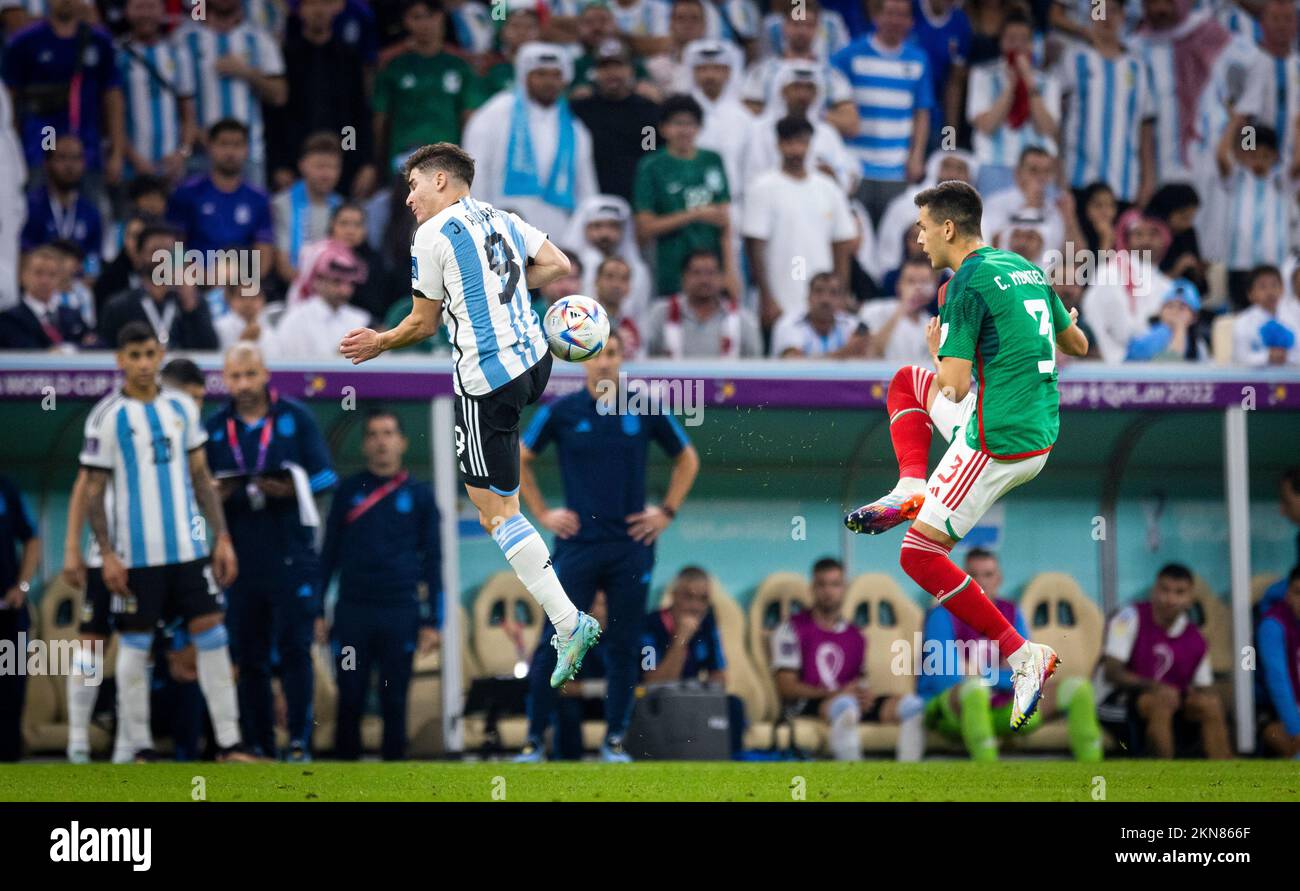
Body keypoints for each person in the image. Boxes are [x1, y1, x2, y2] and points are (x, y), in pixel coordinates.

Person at [339, 141, 602, 689]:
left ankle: (568, 621)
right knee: (503, 506)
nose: (407, 198)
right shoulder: (503, 217)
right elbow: (559, 264)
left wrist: (379, 341)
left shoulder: (431, 236)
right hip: (535, 362)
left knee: (495, 515)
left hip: (488, 382)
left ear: (440, 180)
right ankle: (566, 618)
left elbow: (422, 323)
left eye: (412, 185)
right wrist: (498, 285)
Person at [844, 180, 1090, 731]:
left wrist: (940, 349)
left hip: (994, 439)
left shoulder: (966, 286)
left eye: (924, 227)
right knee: (906, 383)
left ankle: (1023, 654)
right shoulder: (1023, 266)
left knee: (917, 555)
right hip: (1040, 434)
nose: (919, 236)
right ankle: (912, 486)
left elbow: (952, 388)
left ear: (948, 228)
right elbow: (1078, 345)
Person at [517, 330, 699, 762]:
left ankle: (614, 740)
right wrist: (544, 514)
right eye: (596, 355)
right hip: (576, 546)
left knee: (623, 643)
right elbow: (522, 458)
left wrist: (666, 513)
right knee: (557, 640)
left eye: (612, 354)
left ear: (622, 358)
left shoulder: (645, 407)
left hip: (630, 546)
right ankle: (532, 740)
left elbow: (687, 458)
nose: (603, 363)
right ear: (582, 360)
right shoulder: (562, 411)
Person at [80, 321, 252, 762]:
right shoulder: (106, 416)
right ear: (120, 361)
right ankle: (137, 745)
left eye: (149, 354)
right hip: (136, 560)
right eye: (132, 355)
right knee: (136, 649)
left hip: (188, 553)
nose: (142, 364)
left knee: (213, 636)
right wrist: (109, 556)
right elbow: (94, 492)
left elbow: (200, 477)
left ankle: (230, 742)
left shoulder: (181, 408)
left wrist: (223, 538)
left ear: (159, 356)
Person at [205, 342, 338, 760]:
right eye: (234, 376)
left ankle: (299, 742)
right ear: (225, 379)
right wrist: (216, 492)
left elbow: (326, 478)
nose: (243, 385)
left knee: (297, 649)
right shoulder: (213, 426)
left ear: (265, 374)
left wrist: (288, 487)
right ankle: (259, 744)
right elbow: (199, 490)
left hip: (292, 553)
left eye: (250, 375)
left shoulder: (295, 418)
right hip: (240, 558)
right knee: (250, 656)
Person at [321, 409, 441, 760]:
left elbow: (433, 561)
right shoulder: (347, 491)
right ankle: (343, 778)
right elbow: (327, 553)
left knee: (395, 696)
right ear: (364, 444)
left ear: (402, 442)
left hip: (400, 612)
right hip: (352, 611)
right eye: (373, 434)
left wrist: (434, 620)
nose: (381, 441)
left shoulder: (420, 496)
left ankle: (394, 780)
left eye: (388, 433)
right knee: (351, 693)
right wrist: (315, 611)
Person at [918, 548, 1102, 761]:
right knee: (974, 692)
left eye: (987, 575)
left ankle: (1094, 771)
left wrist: (980, 673)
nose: (980, 582)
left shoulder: (1012, 614)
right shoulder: (941, 616)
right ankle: (991, 780)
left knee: (1078, 688)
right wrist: (1001, 673)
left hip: (1001, 707)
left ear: (998, 579)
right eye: (972, 576)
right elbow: (947, 681)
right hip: (947, 711)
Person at [771, 557, 925, 760]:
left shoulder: (855, 636)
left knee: (912, 705)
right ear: (812, 588)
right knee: (845, 705)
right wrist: (836, 693)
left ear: (844, 589)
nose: (828, 591)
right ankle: (852, 771)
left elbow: (859, 679)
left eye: (835, 584)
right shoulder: (791, 629)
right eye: (822, 584)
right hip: (809, 703)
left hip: (848, 699)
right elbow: (786, 687)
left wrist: (865, 695)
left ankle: (910, 776)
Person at [462, 42, 599, 241]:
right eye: (541, 74)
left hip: (558, 229)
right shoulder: (496, 112)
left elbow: (585, 186)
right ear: (524, 76)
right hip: (501, 224)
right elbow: (474, 169)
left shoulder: (575, 128)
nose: (549, 82)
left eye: (556, 75)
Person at [1094, 563, 1230, 759]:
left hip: (1170, 701)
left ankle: (1225, 774)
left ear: (1190, 598)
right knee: (1162, 700)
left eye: (1179, 592)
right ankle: (1161, 773)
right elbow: (1112, 672)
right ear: (1154, 591)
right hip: (1115, 702)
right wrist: (1157, 687)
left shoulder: (1195, 638)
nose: (1170, 598)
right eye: (1164, 590)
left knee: (1210, 704)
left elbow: (1205, 687)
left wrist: (1199, 696)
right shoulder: (1129, 618)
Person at [742, 115, 856, 328]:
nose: (795, 149)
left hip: (824, 297)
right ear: (778, 144)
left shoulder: (828, 188)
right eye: (789, 143)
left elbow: (841, 245)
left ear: (810, 144)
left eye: (801, 142)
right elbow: (754, 248)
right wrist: (766, 298)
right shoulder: (762, 187)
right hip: (779, 294)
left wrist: (841, 294)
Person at [1, 0, 126, 193]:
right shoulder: (24, 41)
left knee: (91, 212)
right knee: (39, 209)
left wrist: (117, 152)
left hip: (86, 143)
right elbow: (9, 98)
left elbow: (113, 97)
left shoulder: (99, 41)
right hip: (43, 137)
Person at [829, 0, 933, 224]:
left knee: (892, 237)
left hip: (896, 169)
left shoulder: (918, 60)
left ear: (911, 22)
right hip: (854, 166)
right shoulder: (848, 56)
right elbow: (830, 100)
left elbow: (922, 113)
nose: (895, 20)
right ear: (876, 17)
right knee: (854, 235)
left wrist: (916, 157)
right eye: (889, 13)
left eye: (902, 15)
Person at [171, 0, 287, 186]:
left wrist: (246, 72)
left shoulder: (259, 38)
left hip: (249, 155)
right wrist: (192, 134)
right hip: (199, 153)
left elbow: (279, 95)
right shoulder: (183, 39)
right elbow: (172, 96)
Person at [633, 94, 738, 299]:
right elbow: (645, 228)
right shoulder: (651, 166)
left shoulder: (712, 160)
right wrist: (694, 214)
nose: (684, 130)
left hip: (712, 266)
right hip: (671, 267)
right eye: (676, 123)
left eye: (690, 123)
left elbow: (724, 221)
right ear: (663, 128)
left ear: (699, 127)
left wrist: (730, 272)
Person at [1055, 0, 1154, 210]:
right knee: (1078, 244)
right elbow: (1056, 116)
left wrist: (1148, 180)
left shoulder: (1137, 67)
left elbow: (1145, 126)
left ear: (1123, 17)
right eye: (1099, 10)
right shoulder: (1074, 59)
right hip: (1079, 178)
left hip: (1124, 183)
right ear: (1091, 15)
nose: (1106, 17)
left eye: (1113, 11)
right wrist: (1059, 171)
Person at [639, 565, 746, 758]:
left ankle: (733, 763)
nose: (695, 606)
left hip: (690, 698)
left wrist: (702, 689)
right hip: (658, 702)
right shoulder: (650, 625)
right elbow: (652, 683)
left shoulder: (707, 624)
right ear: (674, 596)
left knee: (733, 704)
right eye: (688, 597)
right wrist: (681, 640)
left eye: (703, 599)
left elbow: (719, 677)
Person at [273, 0, 374, 196]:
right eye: (311, 4)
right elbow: (277, 117)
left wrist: (362, 162)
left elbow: (357, 115)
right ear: (300, 10)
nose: (319, 10)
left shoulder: (349, 57)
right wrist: (279, 164)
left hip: (343, 161)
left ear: (335, 8)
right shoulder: (286, 56)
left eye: (324, 3)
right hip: (293, 161)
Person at [371, 0, 476, 179]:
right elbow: (380, 119)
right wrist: (375, 162)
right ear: (406, 21)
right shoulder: (393, 66)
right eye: (417, 17)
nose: (425, 24)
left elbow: (469, 117)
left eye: (430, 16)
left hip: (448, 160)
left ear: (441, 17)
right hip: (402, 160)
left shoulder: (460, 66)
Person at [964, 6, 1060, 196]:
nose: (1017, 46)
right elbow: (987, 125)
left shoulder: (1049, 81)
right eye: (1011, 39)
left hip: (1038, 169)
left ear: (1033, 44)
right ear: (1001, 42)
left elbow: (1047, 128)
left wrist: (1029, 83)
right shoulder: (982, 75)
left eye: (1024, 40)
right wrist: (1011, 87)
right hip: (993, 165)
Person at [166, 119, 275, 270]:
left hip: (242, 285)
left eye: (237, 145)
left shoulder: (259, 198)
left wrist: (247, 284)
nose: (230, 152)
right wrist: (202, 280)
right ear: (210, 147)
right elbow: (175, 245)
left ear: (247, 149)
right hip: (196, 282)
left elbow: (264, 251)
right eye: (223, 144)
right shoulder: (186, 192)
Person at [97, 223, 219, 351]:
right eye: (155, 251)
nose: (163, 258)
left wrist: (190, 305)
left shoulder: (193, 302)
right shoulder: (118, 306)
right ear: (139, 256)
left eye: (169, 252)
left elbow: (209, 350)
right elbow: (107, 354)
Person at [569, 38, 663, 204]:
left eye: (619, 66)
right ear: (595, 72)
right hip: (590, 199)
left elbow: (651, 155)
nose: (612, 73)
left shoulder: (648, 112)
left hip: (636, 200)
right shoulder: (580, 110)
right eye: (605, 67)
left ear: (631, 70)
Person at [115, 0, 198, 183]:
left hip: (172, 168)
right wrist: (133, 158)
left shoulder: (179, 54)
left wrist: (182, 154)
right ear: (127, 12)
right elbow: (112, 116)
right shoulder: (117, 55)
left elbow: (188, 115)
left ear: (162, 12)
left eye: (151, 7)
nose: (146, 14)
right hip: (131, 168)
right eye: (139, 7)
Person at [1215, 123, 1289, 309]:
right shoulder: (1238, 178)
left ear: (1275, 156)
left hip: (1272, 265)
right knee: (1240, 317)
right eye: (1254, 155)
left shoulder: (1281, 181)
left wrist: (1297, 128)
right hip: (1240, 264)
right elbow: (1222, 157)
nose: (1259, 161)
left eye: (1265, 156)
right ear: (1245, 155)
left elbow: (1296, 165)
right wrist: (1238, 121)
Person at [645, 249, 762, 357]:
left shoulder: (743, 319)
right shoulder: (661, 313)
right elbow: (644, 355)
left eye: (711, 273)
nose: (704, 280)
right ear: (683, 277)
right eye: (697, 273)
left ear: (722, 278)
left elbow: (755, 366)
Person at [20, 134, 104, 280]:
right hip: (39, 287)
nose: (69, 166)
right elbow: (23, 257)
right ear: (47, 163)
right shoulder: (30, 208)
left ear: (84, 163)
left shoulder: (91, 213)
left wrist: (84, 280)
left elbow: (93, 262)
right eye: (62, 158)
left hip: (76, 291)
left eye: (75, 158)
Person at [272, 242, 372, 360]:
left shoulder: (361, 320)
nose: (344, 290)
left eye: (349, 283)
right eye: (337, 281)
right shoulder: (295, 322)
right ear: (317, 281)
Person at [0, 473, 38, 761]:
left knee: (11, 690)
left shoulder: (6, 487)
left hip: (8, 614)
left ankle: (10, 763)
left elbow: (32, 539)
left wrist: (22, 587)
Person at [272, 132, 344, 283]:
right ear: (302, 165)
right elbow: (283, 264)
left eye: (332, 167)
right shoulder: (282, 204)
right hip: (293, 288)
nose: (326, 174)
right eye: (319, 166)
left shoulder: (342, 206)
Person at [0, 246, 95, 349]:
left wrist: (69, 350)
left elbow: (97, 344)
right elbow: (25, 350)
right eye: (38, 273)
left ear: (59, 279)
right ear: (23, 276)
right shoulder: (9, 319)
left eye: (52, 275)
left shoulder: (72, 315)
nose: (45, 281)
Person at [770, 271, 868, 358]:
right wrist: (844, 353)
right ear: (808, 297)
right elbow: (795, 365)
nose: (825, 300)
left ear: (841, 300)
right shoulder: (788, 324)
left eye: (833, 293)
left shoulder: (852, 325)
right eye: (819, 291)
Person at [1257, 566, 1300, 759]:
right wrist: (1295, 728)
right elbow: (1277, 679)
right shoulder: (1272, 625)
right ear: (1288, 594)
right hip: (1275, 715)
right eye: (1298, 593)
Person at [861, 255, 936, 364]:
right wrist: (903, 308)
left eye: (924, 282)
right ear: (899, 285)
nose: (918, 288)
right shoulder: (874, 310)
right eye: (911, 282)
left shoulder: (931, 324)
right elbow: (870, 353)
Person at [1123, 278, 1208, 363]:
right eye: (1169, 306)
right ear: (1161, 312)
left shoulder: (1198, 343)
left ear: (1194, 317)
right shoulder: (1150, 333)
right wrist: (1179, 328)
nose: (1174, 312)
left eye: (1182, 307)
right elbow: (1169, 366)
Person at [1233, 265, 1300, 366]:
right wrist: (1267, 356)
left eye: (1274, 285)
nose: (1270, 292)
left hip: (1289, 377)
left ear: (1282, 289)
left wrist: (1286, 356)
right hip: (1256, 379)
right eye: (1262, 287)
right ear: (1250, 294)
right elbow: (1240, 357)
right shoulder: (1243, 322)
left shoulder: (1293, 317)